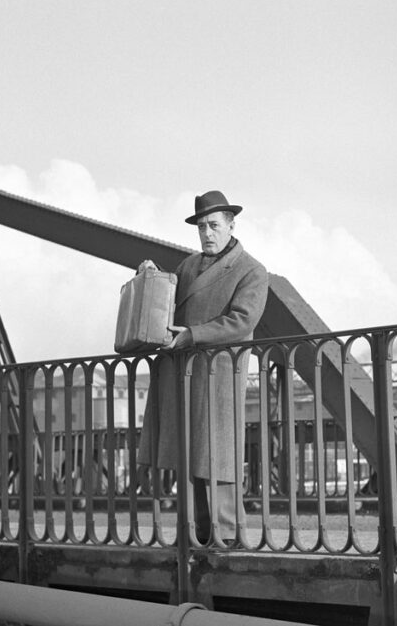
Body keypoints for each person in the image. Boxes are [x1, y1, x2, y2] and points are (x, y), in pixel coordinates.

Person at [136, 190, 268, 547]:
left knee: (218, 456)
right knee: (191, 454)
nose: (207, 233)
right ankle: (196, 536)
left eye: (213, 225)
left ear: (231, 225)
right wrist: (152, 278)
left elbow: (242, 321)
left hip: (220, 371)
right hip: (185, 369)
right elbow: (172, 300)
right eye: (201, 227)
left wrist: (193, 334)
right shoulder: (189, 265)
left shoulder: (251, 270)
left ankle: (227, 537)